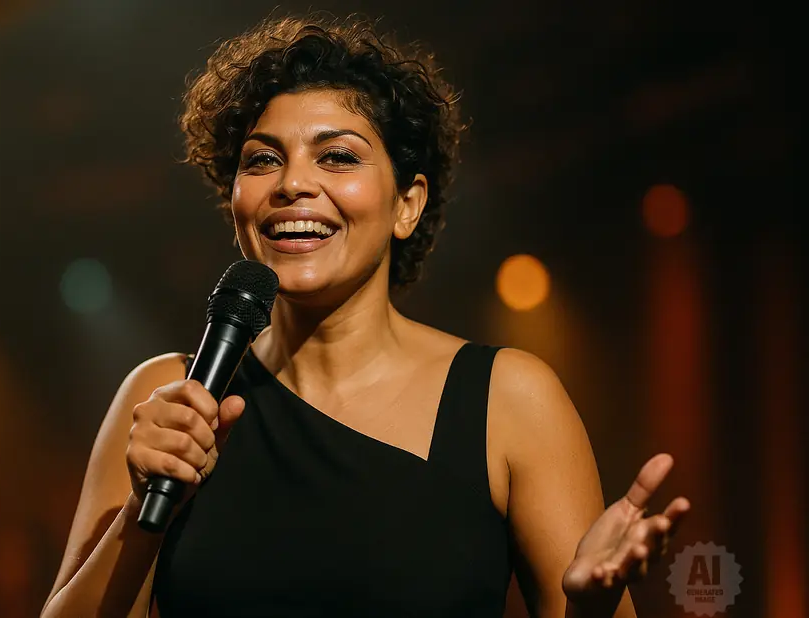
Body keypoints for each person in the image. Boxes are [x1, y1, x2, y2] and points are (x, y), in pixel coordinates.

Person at [41, 14, 690, 618]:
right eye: (262, 159)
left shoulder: (507, 400)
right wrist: (143, 512)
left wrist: (590, 611)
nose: (292, 183)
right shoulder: (168, 396)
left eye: (337, 156)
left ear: (408, 204)